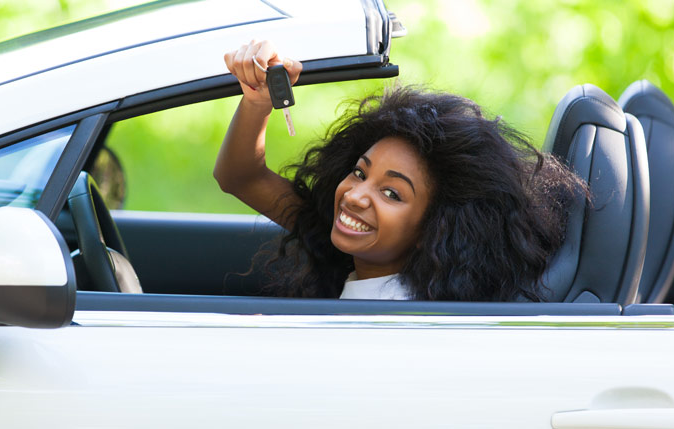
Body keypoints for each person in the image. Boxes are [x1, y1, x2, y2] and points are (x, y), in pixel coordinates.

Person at [214, 40, 586, 301]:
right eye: (360, 173)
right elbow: (239, 177)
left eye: (392, 194)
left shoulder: (394, 319)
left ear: (433, 230)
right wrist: (258, 101)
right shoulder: (356, 252)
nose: (356, 196)